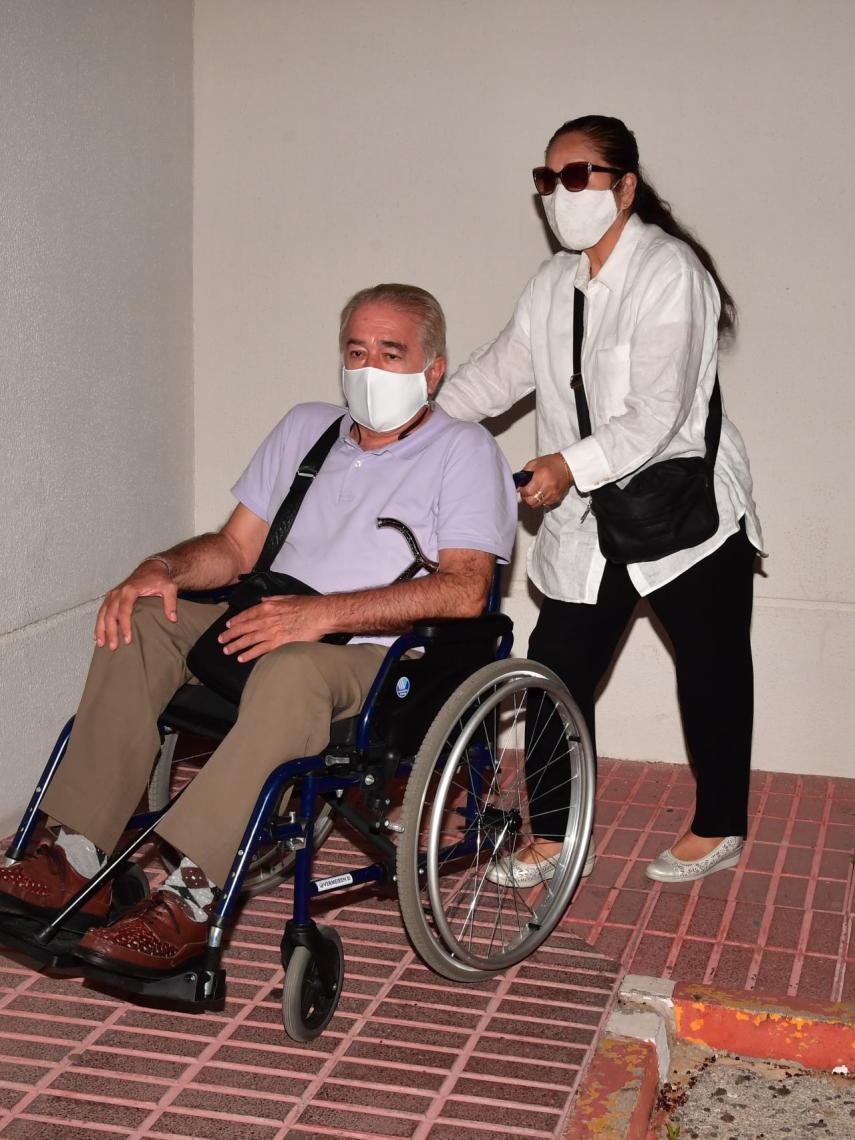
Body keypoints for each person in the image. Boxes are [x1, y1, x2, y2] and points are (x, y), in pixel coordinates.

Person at [0, 283, 517, 973]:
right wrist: (162, 566)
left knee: (293, 668)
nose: (369, 370)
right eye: (356, 352)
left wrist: (321, 615)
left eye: (391, 354)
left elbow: (465, 589)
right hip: (273, 619)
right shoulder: (307, 427)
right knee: (147, 617)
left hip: (377, 655)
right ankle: (77, 854)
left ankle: (190, 894)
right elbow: (235, 550)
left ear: (432, 369)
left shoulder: (464, 451)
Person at [438, 115, 763, 887]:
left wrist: (564, 464)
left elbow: (655, 415)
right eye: (548, 179)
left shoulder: (669, 272)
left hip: (680, 513)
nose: (560, 193)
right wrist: (412, 430)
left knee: (711, 667)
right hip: (589, 520)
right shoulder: (553, 284)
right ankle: (552, 832)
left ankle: (719, 825)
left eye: (577, 175)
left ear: (623, 185)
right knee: (556, 666)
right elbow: (495, 374)